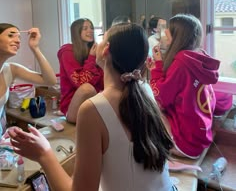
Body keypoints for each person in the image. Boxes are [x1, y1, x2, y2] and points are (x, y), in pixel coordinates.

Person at [9, 23, 177, 191]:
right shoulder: (145, 90)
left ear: (105, 50)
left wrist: (43, 154)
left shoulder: (93, 110)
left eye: (102, 39)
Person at [147, 14, 221, 159]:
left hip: (186, 144)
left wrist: (156, 69)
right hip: (200, 137)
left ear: (177, 35)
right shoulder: (198, 58)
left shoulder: (181, 63)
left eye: (168, 29)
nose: (165, 31)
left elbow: (160, 97)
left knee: (151, 106)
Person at [0, 23, 56, 138]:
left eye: (19, 37)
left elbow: (50, 81)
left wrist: (35, 48)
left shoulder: (11, 69)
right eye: (11, 36)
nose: (17, 41)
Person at [57, 18, 103, 123]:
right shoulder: (67, 52)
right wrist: (91, 58)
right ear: (76, 32)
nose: (90, 31)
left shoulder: (94, 51)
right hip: (72, 106)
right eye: (85, 28)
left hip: (92, 104)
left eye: (91, 28)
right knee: (87, 88)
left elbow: (103, 84)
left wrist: (102, 61)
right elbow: (81, 82)